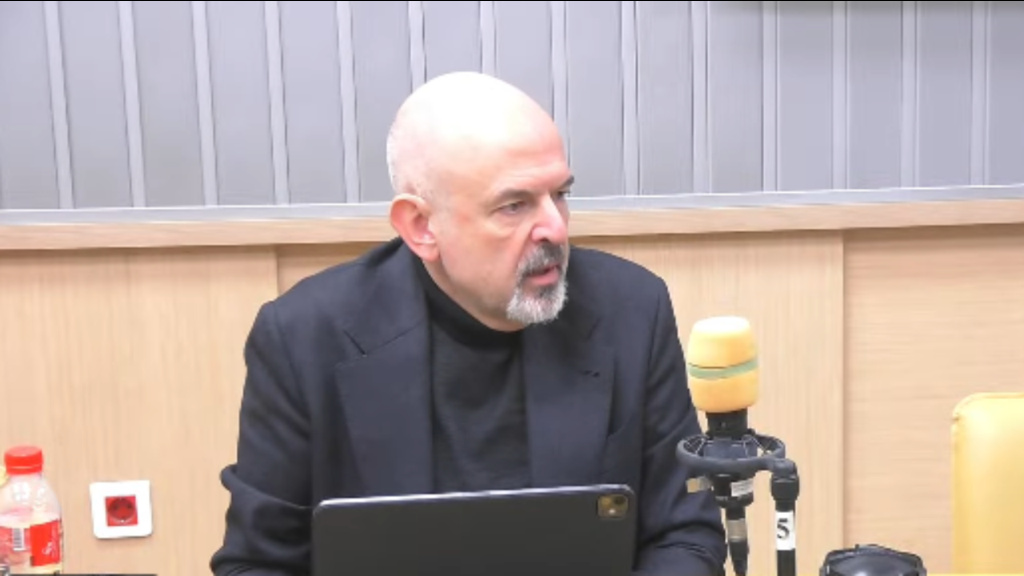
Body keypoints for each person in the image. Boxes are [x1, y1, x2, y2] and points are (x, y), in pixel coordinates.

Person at [210, 71, 726, 576]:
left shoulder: (630, 309)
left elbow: (685, 534)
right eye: (514, 205)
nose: (554, 228)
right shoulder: (304, 337)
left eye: (560, 194)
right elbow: (255, 562)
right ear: (421, 226)